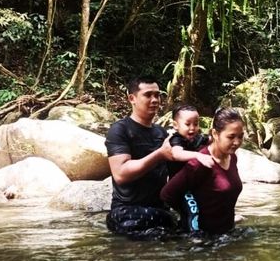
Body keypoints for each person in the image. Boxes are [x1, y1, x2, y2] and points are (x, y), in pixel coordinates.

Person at [104, 76, 212, 236]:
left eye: (157, 95)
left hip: (160, 209)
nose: (155, 100)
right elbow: (121, 174)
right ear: (132, 98)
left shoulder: (162, 133)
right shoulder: (120, 130)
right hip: (128, 210)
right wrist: (160, 154)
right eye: (148, 95)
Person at [160, 107, 244, 235]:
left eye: (240, 136)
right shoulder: (200, 162)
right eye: (231, 137)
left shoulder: (232, 157)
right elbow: (167, 194)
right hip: (204, 240)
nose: (237, 142)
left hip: (227, 233)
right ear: (215, 134)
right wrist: (189, 213)